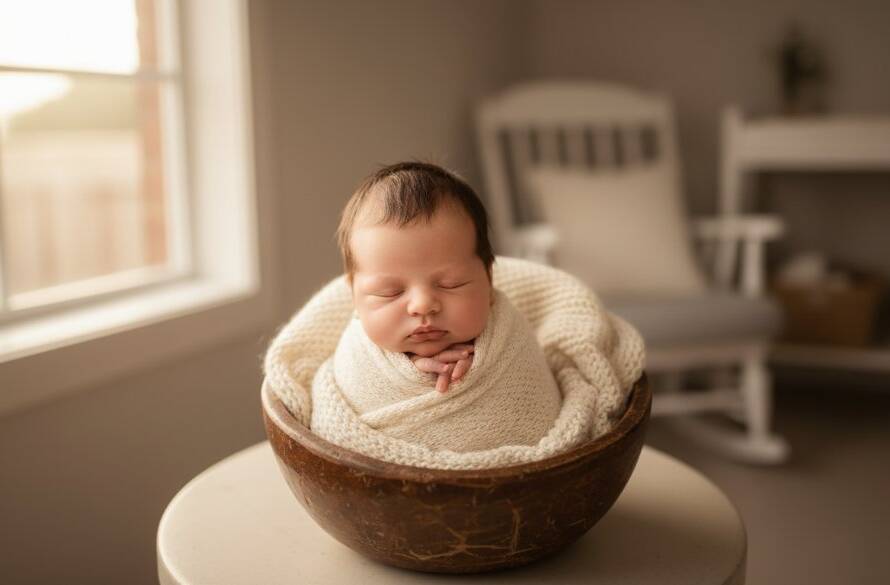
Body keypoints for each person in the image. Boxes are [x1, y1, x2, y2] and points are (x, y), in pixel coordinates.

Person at [336, 161, 496, 393]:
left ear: (489, 281)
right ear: (354, 295)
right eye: (389, 292)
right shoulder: (355, 354)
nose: (422, 305)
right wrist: (407, 374)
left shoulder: (509, 336)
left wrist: (482, 369)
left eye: (451, 284)